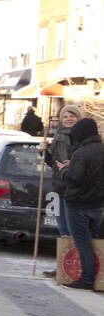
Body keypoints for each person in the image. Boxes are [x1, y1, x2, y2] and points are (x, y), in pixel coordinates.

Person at [53, 116, 104, 290]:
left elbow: (74, 179)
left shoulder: (81, 153)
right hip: (97, 204)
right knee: (95, 241)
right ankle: (98, 277)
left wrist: (65, 169)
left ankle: (87, 279)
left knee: (83, 243)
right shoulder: (101, 149)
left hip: (78, 204)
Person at [44, 105, 81, 238]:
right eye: (65, 117)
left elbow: (89, 160)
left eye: (72, 116)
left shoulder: (81, 136)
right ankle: (67, 257)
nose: (68, 119)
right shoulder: (57, 135)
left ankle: (77, 257)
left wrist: (74, 163)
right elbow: (53, 163)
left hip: (73, 188)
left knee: (73, 228)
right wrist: (44, 151)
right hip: (58, 186)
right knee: (63, 229)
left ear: (78, 118)